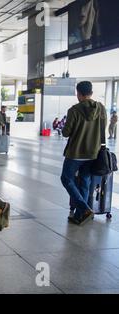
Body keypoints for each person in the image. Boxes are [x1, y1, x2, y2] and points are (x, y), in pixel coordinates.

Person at [61, 81, 107, 226]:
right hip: (93, 152)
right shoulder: (101, 108)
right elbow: (102, 130)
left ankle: (85, 209)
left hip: (75, 152)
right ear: (91, 93)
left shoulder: (74, 110)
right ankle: (80, 216)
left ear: (78, 93)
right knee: (85, 181)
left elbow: (66, 132)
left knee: (66, 179)